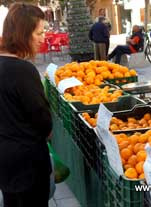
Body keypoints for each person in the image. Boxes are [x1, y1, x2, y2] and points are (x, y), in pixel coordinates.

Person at [0, 3, 52, 207]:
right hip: (28, 166)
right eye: (39, 32)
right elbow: (43, 122)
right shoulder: (23, 71)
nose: (43, 38)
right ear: (23, 34)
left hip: (5, 162)